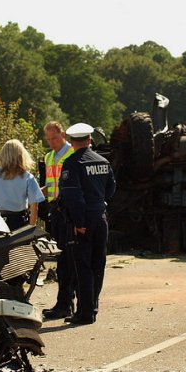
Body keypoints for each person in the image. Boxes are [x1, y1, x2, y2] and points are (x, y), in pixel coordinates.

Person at [57, 122, 116, 324]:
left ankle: (85, 313)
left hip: (83, 221)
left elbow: (73, 196)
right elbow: (111, 189)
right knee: (98, 264)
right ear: (90, 140)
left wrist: (79, 221)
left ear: (71, 142)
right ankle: (93, 307)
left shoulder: (72, 163)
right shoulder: (103, 161)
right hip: (101, 217)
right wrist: (99, 204)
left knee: (83, 267)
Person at [40, 121, 77, 319]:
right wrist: (35, 195)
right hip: (55, 210)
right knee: (61, 259)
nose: (51, 142)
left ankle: (66, 304)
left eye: (54, 138)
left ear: (62, 134)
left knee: (68, 260)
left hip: (68, 211)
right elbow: (49, 185)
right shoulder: (49, 157)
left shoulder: (72, 153)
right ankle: (64, 303)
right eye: (48, 139)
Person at [0, 139, 45, 231]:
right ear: (21, 155)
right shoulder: (27, 177)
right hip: (18, 221)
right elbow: (34, 206)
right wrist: (31, 228)